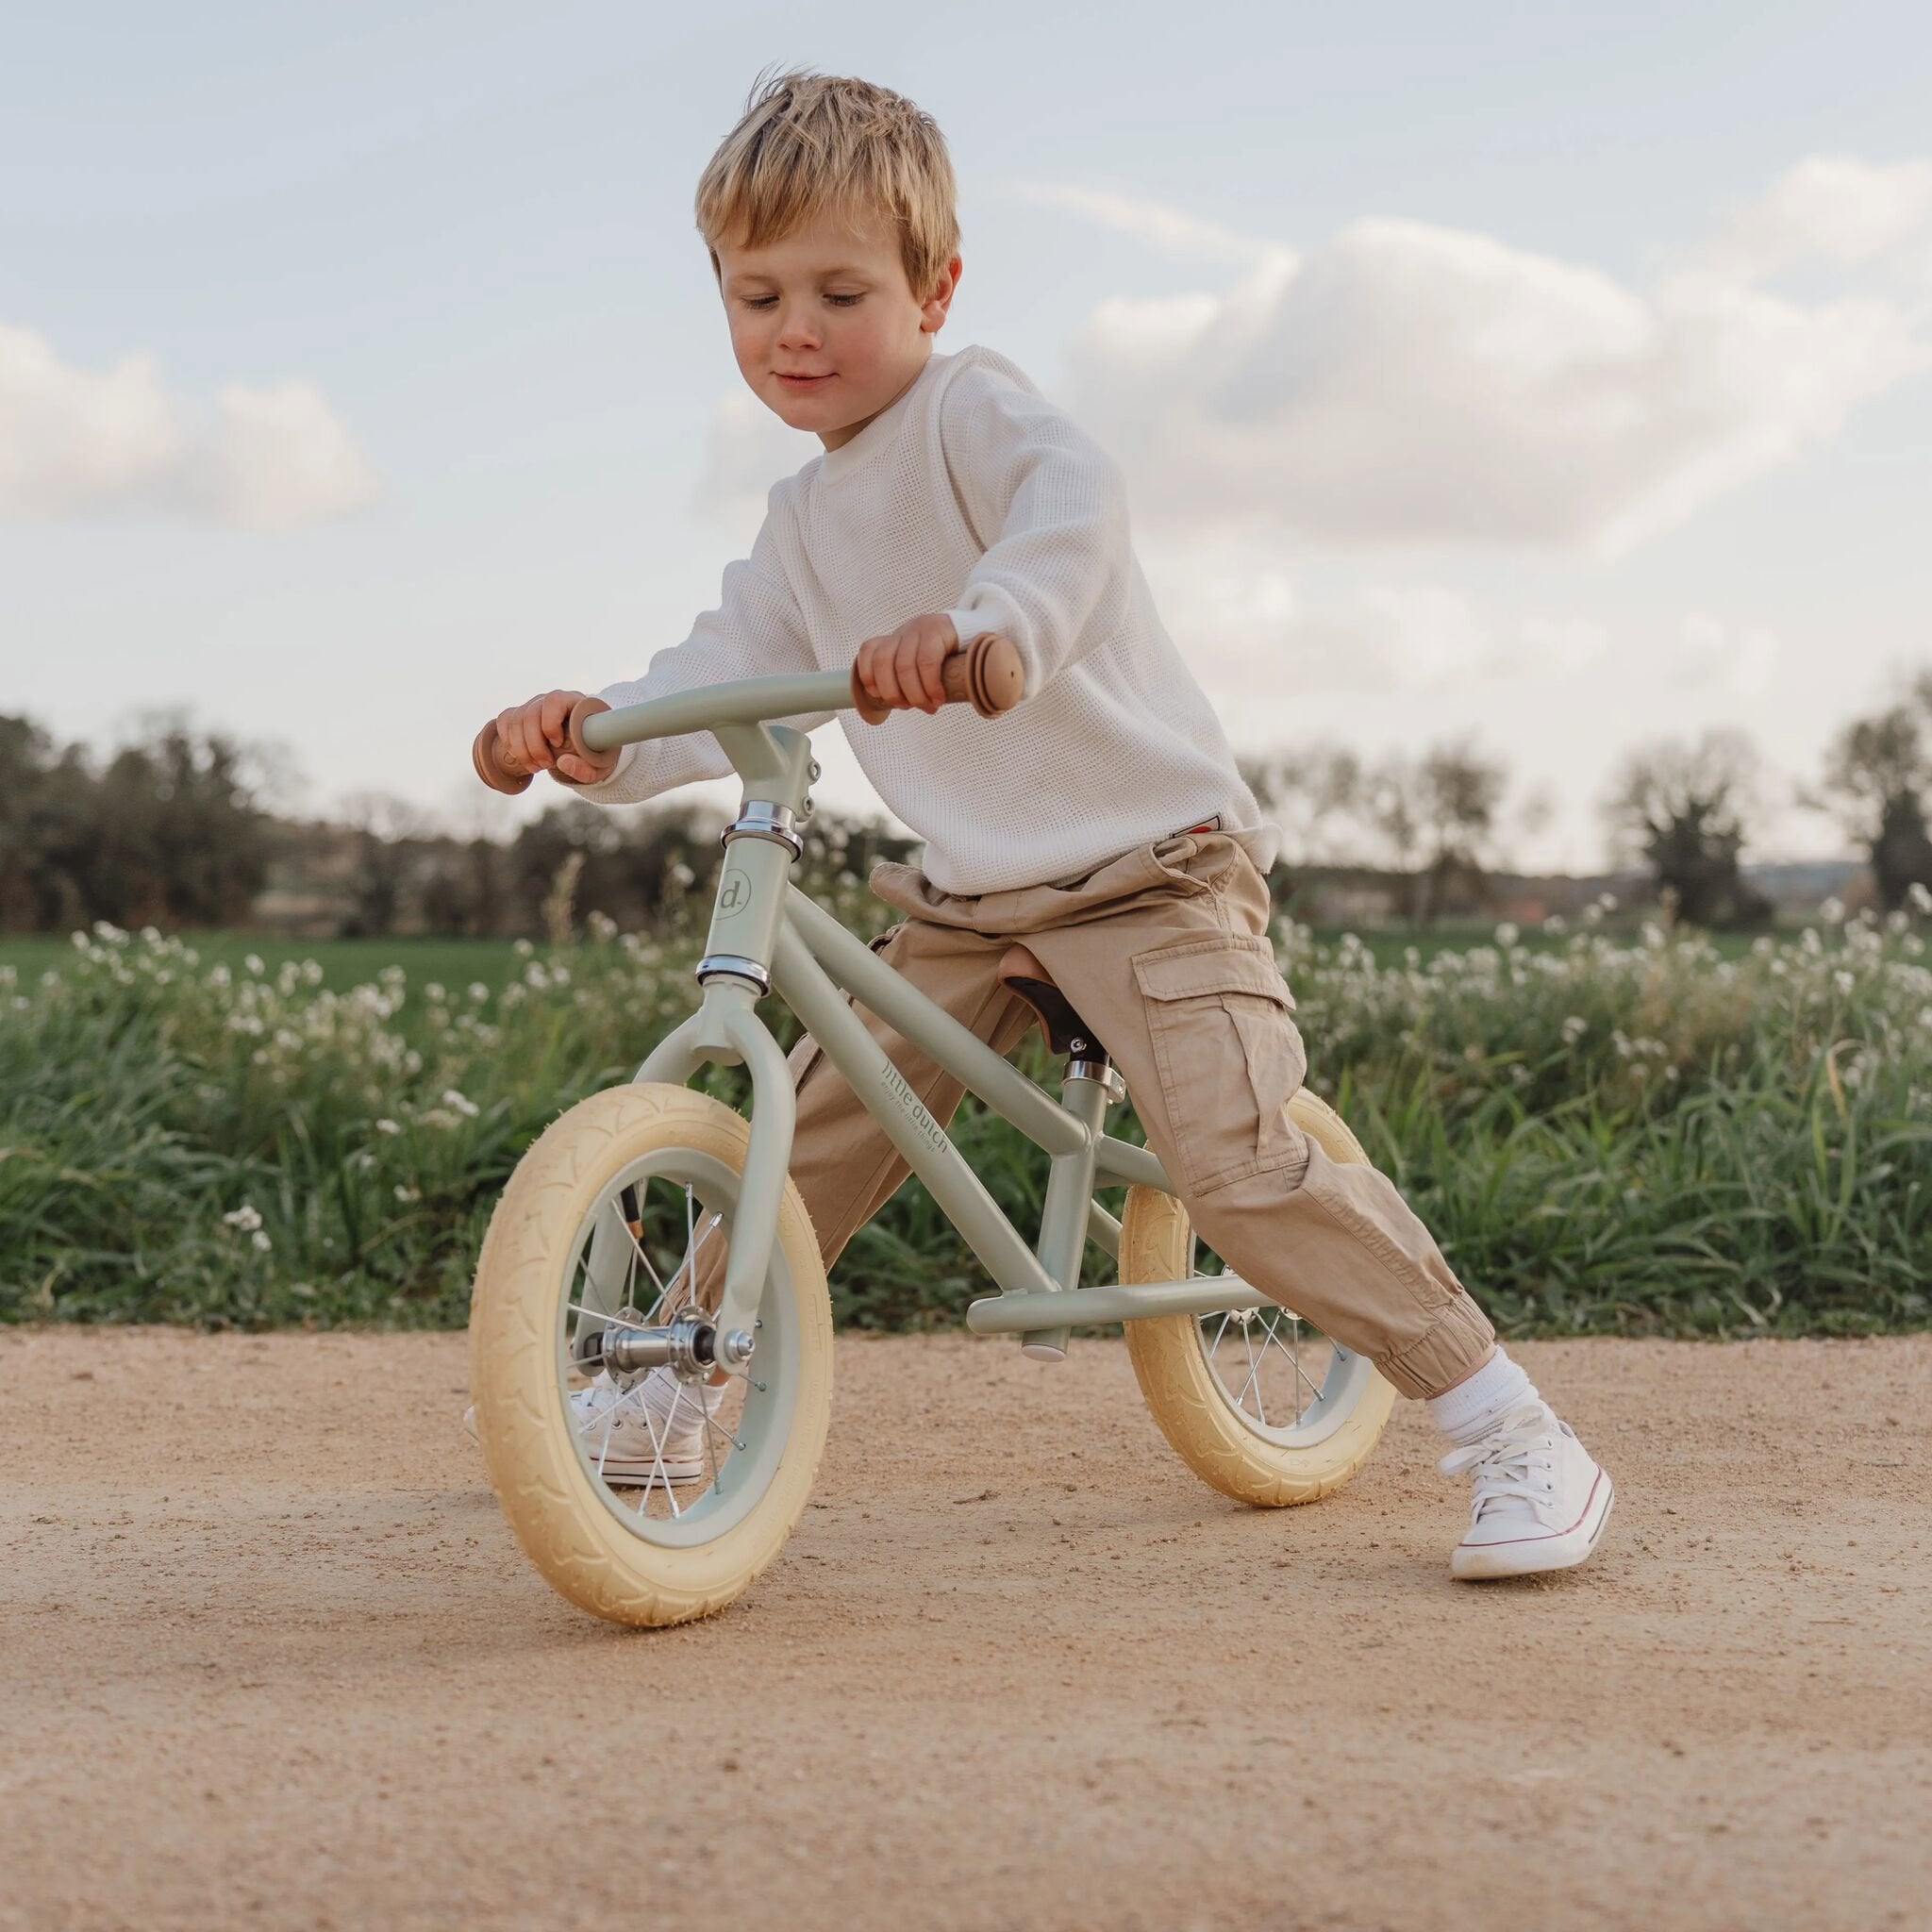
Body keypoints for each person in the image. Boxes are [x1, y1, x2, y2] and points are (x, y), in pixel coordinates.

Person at [482, 68, 1613, 1580]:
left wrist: (990, 624)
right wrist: (589, 741)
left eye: (839, 290)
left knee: (1237, 1167)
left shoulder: (973, 412)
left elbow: (1071, 506)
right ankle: (673, 1384)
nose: (796, 332)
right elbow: (722, 676)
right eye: (757, 299)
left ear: (936, 287)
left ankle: (1510, 1426)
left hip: (1150, 870)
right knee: (813, 1127)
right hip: (973, 903)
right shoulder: (802, 525)